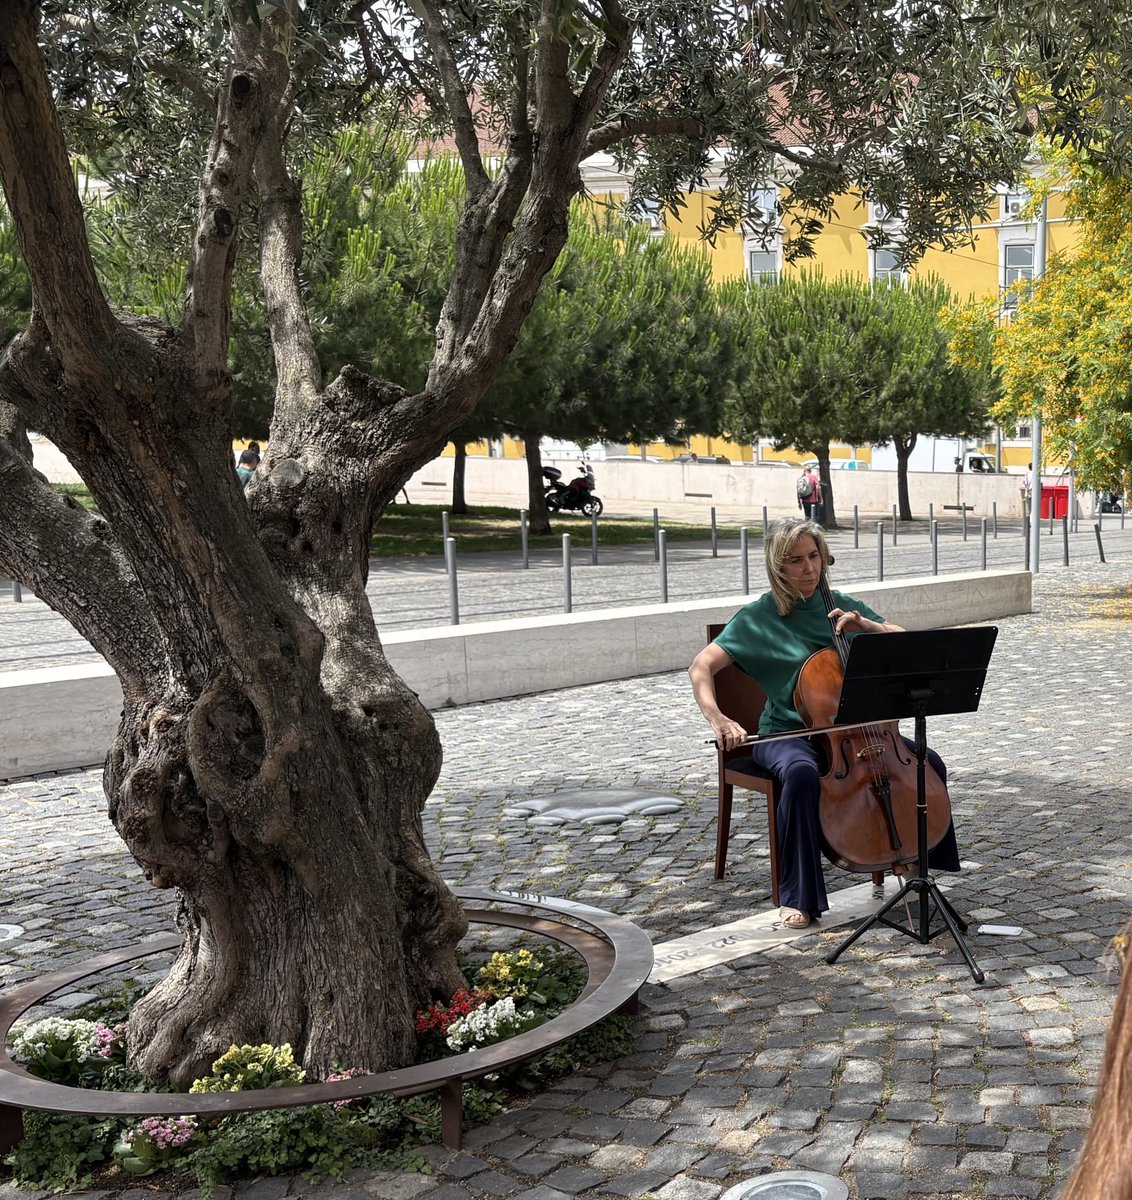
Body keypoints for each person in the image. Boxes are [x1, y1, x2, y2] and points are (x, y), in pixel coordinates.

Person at [688, 517, 960, 929]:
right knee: (799, 775)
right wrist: (718, 718)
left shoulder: (841, 605)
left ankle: (916, 862)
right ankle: (799, 895)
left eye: (814, 556)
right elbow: (702, 666)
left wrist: (866, 625)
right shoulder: (759, 617)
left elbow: (905, 642)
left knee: (927, 762)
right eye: (796, 560)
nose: (809, 568)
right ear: (778, 566)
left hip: (854, 730)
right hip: (787, 731)